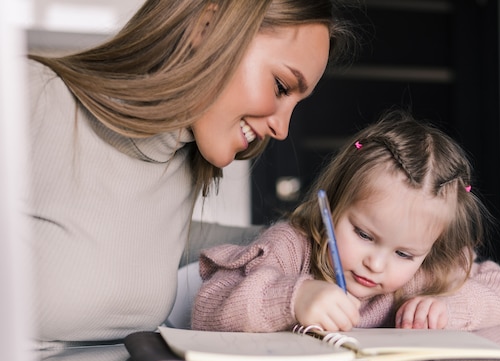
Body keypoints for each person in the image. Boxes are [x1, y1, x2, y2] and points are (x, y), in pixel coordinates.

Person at [26, 0, 356, 343]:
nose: (282, 128)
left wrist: (305, 243)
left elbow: (143, 234)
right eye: (280, 86)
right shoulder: (30, 98)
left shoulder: (181, 161)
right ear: (207, 27)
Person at [192, 110, 500, 332]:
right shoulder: (293, 247)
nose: (376, 264)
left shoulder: (423, 274)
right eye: (364, 234)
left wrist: (446, 307)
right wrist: (294, 298)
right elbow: (207, 308)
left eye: (404, 254)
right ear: (334, 203)